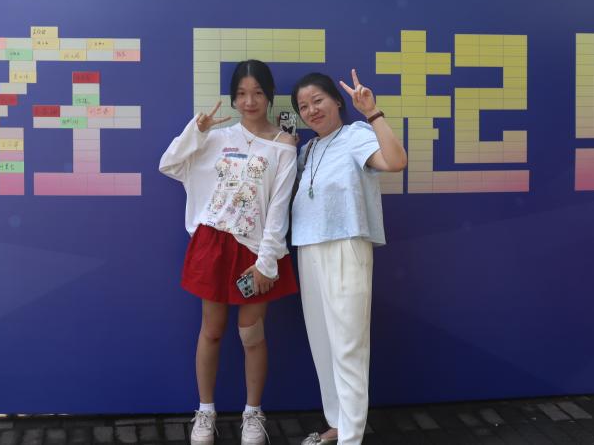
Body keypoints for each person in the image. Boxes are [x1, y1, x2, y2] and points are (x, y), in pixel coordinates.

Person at [160, 60, 299, 445]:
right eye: (241, 94)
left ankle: (253, 413)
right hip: (214, 245)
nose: (249, 101)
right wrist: (197, 130)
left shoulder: (284, 146)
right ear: (233, 98)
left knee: (252, 335)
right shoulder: (217, 138)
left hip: (256, 252)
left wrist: (267, 262)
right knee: (212, 332)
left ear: (270, 96)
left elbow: (279, 208)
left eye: (257, 93)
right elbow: (169, 164)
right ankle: (205, 411)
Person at [289, 70, 408, 445]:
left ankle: (351, 438)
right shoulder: (307, 150)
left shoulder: (356, 135)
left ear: (337, 101)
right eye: (304, 106)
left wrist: (372, 112)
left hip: (346, 245)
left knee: (348, 345)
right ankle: (338, 424)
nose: (311, 110)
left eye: (318, 101)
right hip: (308, 248)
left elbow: (396, 161)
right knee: (323, 345)